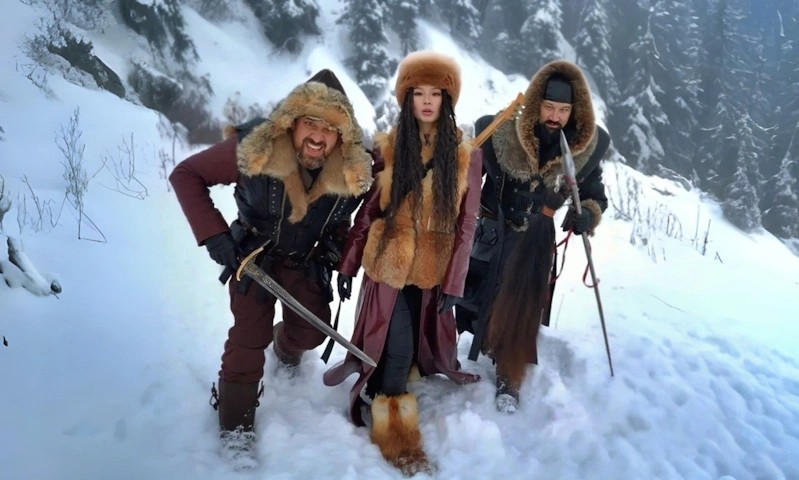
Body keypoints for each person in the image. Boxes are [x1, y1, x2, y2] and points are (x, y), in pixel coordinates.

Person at [169, 69, 373, 466]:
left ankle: (285, 346)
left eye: (330, 128)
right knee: (249, 338)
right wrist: (215, 236)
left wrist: (335, 249)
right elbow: (187, 175)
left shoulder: (352, 168)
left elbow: (340, 220)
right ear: (292, 122)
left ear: (342, 135)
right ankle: (236, 426)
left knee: (311, 332)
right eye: (310, 123)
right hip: (253, 257)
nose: (318, 136)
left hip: (304, 261)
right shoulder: (256, 146)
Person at [322, 51, 482, 476]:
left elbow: (467, 224)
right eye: (418, 93)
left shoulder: (467, 155)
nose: (427, 101)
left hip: (429, 273)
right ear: (407, 99)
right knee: (397, 350)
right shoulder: (389, 147)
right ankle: (396, 434)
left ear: (447, 100)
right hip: (387, 267)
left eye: (435, 93)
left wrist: (455, 282)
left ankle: (381, 389)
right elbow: (369, 211)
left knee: (407, 346)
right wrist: (348, 265)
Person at [455, 59, 610, 413]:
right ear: (538, 103)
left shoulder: (581, 149)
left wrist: (586, 214)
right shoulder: (503, 132)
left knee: (521, 310)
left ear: (573, 111)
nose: (555, 116)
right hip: (493, 232)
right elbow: (468, 175)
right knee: (468, 297)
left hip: (535, 241)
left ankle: (509, 378)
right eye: (549, 107)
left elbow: (594, 196)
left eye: (563, 110)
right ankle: (446, 357)